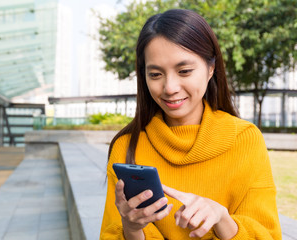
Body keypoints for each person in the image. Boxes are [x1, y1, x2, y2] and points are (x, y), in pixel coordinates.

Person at [100, 8, 282, 240]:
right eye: (155, 74)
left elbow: (268, 235)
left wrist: (222, 218)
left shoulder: (245, 139)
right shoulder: (127, 147)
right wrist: (132, 229)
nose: (170, 88)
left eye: (184, 71)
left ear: (210, 68)